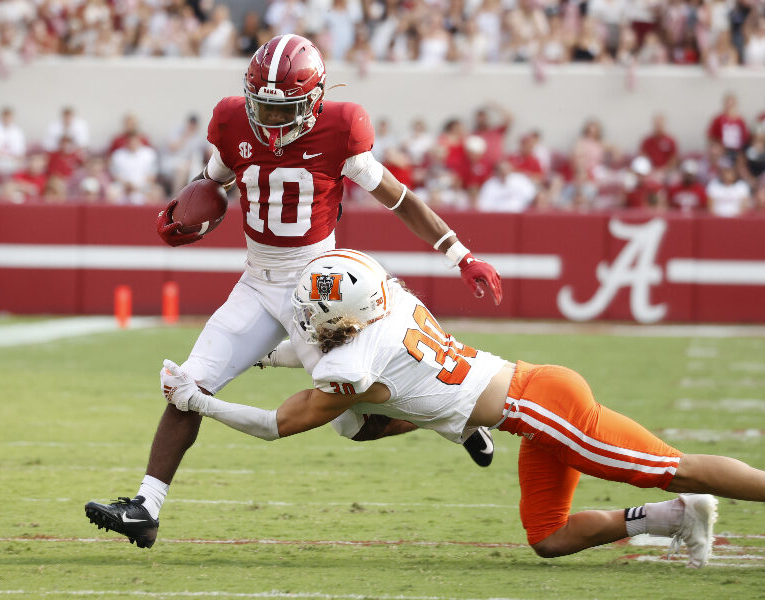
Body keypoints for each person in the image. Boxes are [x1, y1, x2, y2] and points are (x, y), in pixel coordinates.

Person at [85, 34, 503, 549]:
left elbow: (400, 200)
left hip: (319, 291)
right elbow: (212, 180)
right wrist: (192, 204)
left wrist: (460, 254)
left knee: (353, 425)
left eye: (282, 110)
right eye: (261, 105)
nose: (269, 120)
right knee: (187, 383)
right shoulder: (233, 120)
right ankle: (145, 507)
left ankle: (448, 422)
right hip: (257, 282)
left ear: (315, 99)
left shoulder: (340, 128)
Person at [159, 249, 765, 568]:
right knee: (548, 538)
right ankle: (677, 518)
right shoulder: (386, 304)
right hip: (524, 405)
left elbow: (274, 426)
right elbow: (321, 356)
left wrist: (198, 400)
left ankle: (714, 491)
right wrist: (264, 359)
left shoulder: (351, 364)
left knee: (668, 464)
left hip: (544, 406)